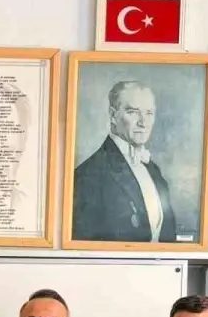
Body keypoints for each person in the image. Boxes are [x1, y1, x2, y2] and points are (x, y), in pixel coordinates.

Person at [71, 81, 178, 243]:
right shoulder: (88, 176)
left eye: (149, 113)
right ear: (113, 115)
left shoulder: (154, 171)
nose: (143, 122)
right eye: (133, 112)